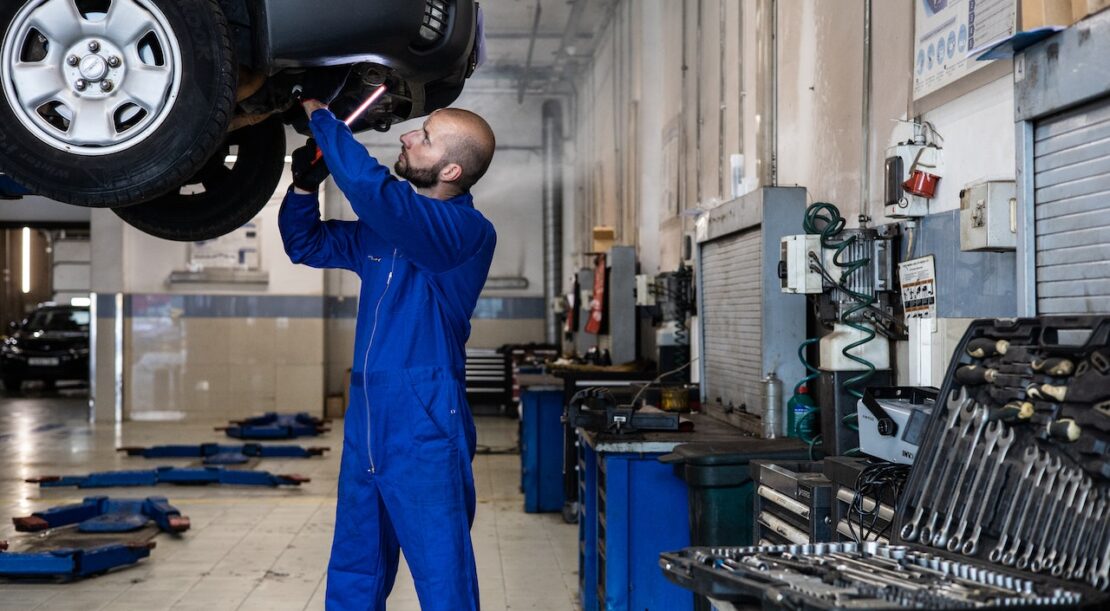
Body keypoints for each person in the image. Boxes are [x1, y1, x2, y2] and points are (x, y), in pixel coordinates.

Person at [279, 96, 497, 610]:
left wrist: (323, 118)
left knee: (442, 574)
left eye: (423, 136)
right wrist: (303, 188)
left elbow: (372, 192)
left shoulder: (465, 233)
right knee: (356, 563)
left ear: (450, 169)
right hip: (368, 420)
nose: (406, 137)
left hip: (424, 423)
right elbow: (305, 245)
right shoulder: (386, 230)